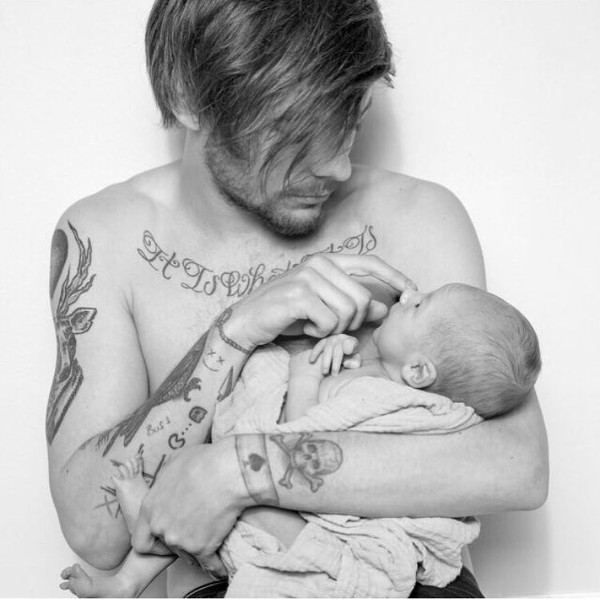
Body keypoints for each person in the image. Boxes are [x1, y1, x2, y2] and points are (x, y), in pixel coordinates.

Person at [47, 0, 548, 597]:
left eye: (350, 120)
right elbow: (94, 532)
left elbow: (518, 469)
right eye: (297, 128)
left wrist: (239, 470)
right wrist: (235, 331)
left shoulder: (417, 216)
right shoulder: (105, 237)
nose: (338, 166)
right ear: (187, 96)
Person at [59, 283, 541, 597]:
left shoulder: (396, 402)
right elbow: (92, 534)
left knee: (231, 512)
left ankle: (137, 559)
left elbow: (297, 433)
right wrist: (243, 330)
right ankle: (130, 576)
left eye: (418, 305)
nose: (407, 295)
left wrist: (305, 375)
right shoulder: (377, 377)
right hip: (248, 545)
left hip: (344, 545)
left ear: (418, 371)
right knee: (195, 507)